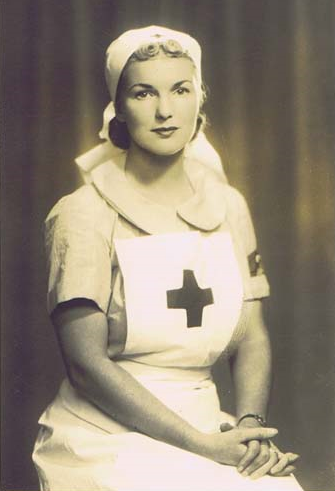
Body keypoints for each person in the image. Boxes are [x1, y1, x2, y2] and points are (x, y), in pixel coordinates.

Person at [32, 25, 303, 491]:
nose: (164, 110)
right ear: (118, 108)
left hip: (210, 426)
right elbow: (86, 365)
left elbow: (252, 335)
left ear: (200, 98)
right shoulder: (84, 213)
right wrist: (202, 446)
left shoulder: (229, 205)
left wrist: (248, 430)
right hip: (108, 435)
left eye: (180, 90)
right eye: (143, 93)